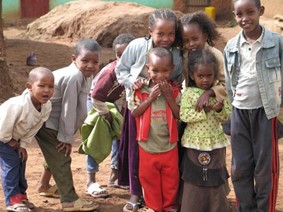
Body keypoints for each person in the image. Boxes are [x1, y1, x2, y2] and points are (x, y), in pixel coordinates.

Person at [115, 8, 183, 212]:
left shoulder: (176, 55)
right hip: (138, 105)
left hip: (164, 108)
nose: (166, 38)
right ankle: (136, 194)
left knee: (164, 155)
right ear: (150, 31)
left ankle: (167, 200)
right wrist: (133, 81)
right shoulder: (137, 46)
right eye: (160, 33)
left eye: (171, 34)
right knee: (138, 153)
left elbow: (178, 79)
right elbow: (121, 70)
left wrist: (170, 91)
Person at [224, 0, 283, 211]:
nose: (245, 18)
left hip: (266, 113)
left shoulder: (277, 42)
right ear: (234, 15)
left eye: (250, 12)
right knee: (240, 167)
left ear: (261, 11)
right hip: (239, 111)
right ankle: (245, 208)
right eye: (239, 14)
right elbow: (230, 83)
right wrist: (234, 104)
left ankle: (264, 208)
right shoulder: (231, 46)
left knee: (265, 168)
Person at [35, 39, 101, 211]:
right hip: (47, 123)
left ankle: (44, 186)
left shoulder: (85, 75)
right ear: (74, 59)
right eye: (85, 60)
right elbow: (68, 109)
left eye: (95, 62)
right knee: (62, 157)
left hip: (54, 122)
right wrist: (66, 138)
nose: (90, 65)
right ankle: (69, 200)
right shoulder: (74, 77)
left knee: (55, 155)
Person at [82, 33, 135, 198]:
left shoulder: (134, 70)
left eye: (129, 55)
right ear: (116, 55)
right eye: (120, 55)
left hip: (111, 104)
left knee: (120, 138)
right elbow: (97, 96)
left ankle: (115, 175)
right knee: (97, 138)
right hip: (97, 104)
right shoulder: (112, 70)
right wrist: (108, 116)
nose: (124, 59)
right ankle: (91, 179)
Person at [129, 47, 181, 212]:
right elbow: (135, 113)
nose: (160, 75)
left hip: (169, 145)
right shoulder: (139, 90)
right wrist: (150, 98)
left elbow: (179, 114)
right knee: (149, 179)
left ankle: (170, 207)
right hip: (147, 146)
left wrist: (168, 96)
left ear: (172, 70)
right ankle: (154, 207)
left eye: (165, 71)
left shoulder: (174, 90)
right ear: (147, 69)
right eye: (155, 71)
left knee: (171, 180)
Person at [180, 49, 231, 212]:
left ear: (215, 75)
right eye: (200, 76)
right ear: (192, 75)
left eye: (209, 75)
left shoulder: (219, 93)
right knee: (194, 176)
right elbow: (184, 115)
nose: (205, 80)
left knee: (215, 175)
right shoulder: (188, 93)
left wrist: (218, 110)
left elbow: (226, 116)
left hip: (215, 142)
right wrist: (205, 111)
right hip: (194, 143)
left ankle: (217, 207)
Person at [0, 67, 54, 212]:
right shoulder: (17, 105)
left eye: (50, 86)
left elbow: (34, 128)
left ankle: (21, 197)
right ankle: (12, 201)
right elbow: (3, 127)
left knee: (21, 162)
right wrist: (10, 141)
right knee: (11, 166)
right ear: (29, 87)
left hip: (14, 138)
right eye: (41, 86)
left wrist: (22, 145)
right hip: (2, 137)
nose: (47, 90)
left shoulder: (46, 106)